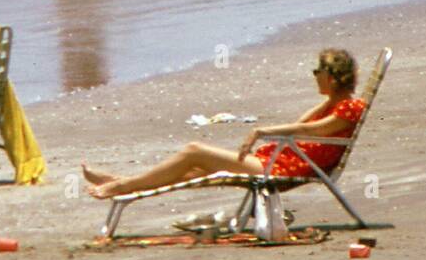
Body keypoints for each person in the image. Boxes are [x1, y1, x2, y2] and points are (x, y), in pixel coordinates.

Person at [82, 48, 366, 198]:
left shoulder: (350, 108)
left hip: (281, 168)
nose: (314, 76)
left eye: (318, 71)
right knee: (194, 169)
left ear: (331, 77)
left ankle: (121, 186)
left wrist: (260, 130)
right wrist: (326, 98)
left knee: (194, 150)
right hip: (278, 161)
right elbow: (301, 123)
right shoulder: (334, 104)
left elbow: (308, 130)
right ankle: (124, 182)